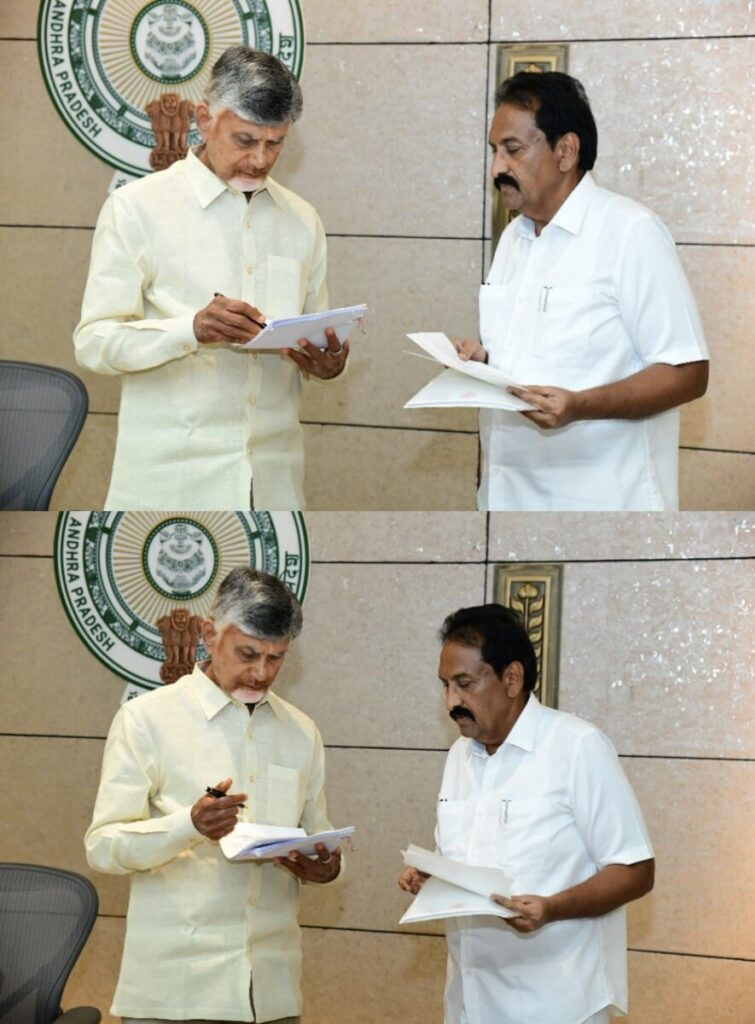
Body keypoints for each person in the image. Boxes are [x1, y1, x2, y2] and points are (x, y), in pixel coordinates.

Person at [74, 47, 348, 510]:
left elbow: (313, 336)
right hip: (168, 486)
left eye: (275, 143)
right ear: (204, 119)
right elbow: (94, 343)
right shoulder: (137, 208)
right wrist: (190, 330)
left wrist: (326, 364)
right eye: (245, 140)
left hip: (274, 484)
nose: (260, 160)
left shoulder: (302, 220)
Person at [85, 568, 341, 1024]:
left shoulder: (302, 732)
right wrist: (189, 825)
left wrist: (324, 865)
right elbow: (103, 846)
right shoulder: (146, 720)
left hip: (271, 993)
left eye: (276, 658)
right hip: (174, 993)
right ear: (208, 635)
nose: (261, 673)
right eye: (247, 653)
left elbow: (317, 835)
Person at [456, 71, 709, 510]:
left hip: (603, 504)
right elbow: (548, 353)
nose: (497, 168)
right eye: (494, 152)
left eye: (512, 150)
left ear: (565, 150)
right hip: (506, 502)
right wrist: (487, 363)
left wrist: (580, 405)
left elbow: (688, 372)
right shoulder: (515, 239)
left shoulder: (630, 232)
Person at [399, 604, 655, 1024]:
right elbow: (470, 863)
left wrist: (553, 907)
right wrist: (433, 876)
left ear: (511, 678)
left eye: (464, 684)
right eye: (445, 685)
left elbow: (635, 869)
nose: (451, 701)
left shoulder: (577, 746)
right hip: (470, 1002)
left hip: (556, 1004)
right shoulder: (459, 756)